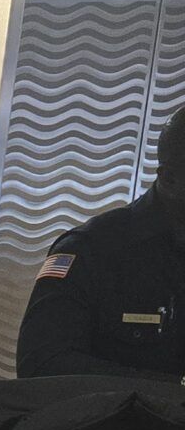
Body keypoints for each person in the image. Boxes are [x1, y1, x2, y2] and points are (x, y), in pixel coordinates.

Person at [16, 103, 185, 380]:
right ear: (171, 179)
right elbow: (42, 363)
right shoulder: (91, 249)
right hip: (120, 409)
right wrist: (172, 389)